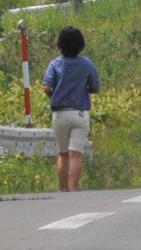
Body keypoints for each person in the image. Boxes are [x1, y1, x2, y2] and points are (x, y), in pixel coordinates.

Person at [42, 26, 100, 192]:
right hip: (80, 113)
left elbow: (46, 87)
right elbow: (95, 87)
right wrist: (83, 89)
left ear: (60, 44)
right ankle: (74, 188)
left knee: (63, 153)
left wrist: (55, 95)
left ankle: (62, 189)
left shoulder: (55, 63)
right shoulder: (87, 64)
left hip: (60, 114)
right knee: (75, 153)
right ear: (80, 44)